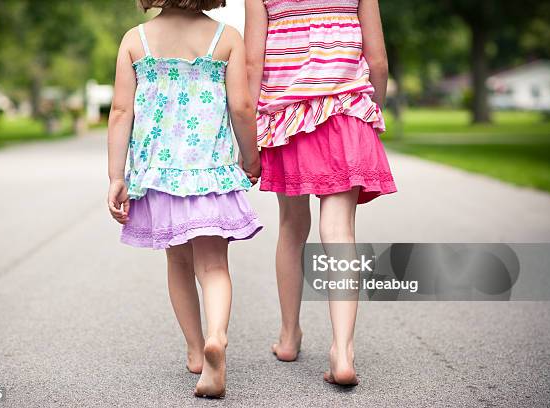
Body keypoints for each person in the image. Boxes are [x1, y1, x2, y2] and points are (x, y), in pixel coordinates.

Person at [107, 0, 262, 398]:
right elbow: (242, 107)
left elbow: (121, 111)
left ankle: (196, 351)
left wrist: (116, 176)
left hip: (158, 178)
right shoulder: (225, 37)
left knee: (177, 262)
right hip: (210, 173)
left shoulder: (135, 41)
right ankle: (216, 336)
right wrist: (251, 156)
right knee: (213, 267)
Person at [245, 0, 396, 385]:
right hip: (347, 112)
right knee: (340, 231)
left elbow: (252, 64)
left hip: (287, 118)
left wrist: (248, 135)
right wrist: (370, 109)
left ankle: (289, 335)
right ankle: (342, 350)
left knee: (293, 227)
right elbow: (377, 61)